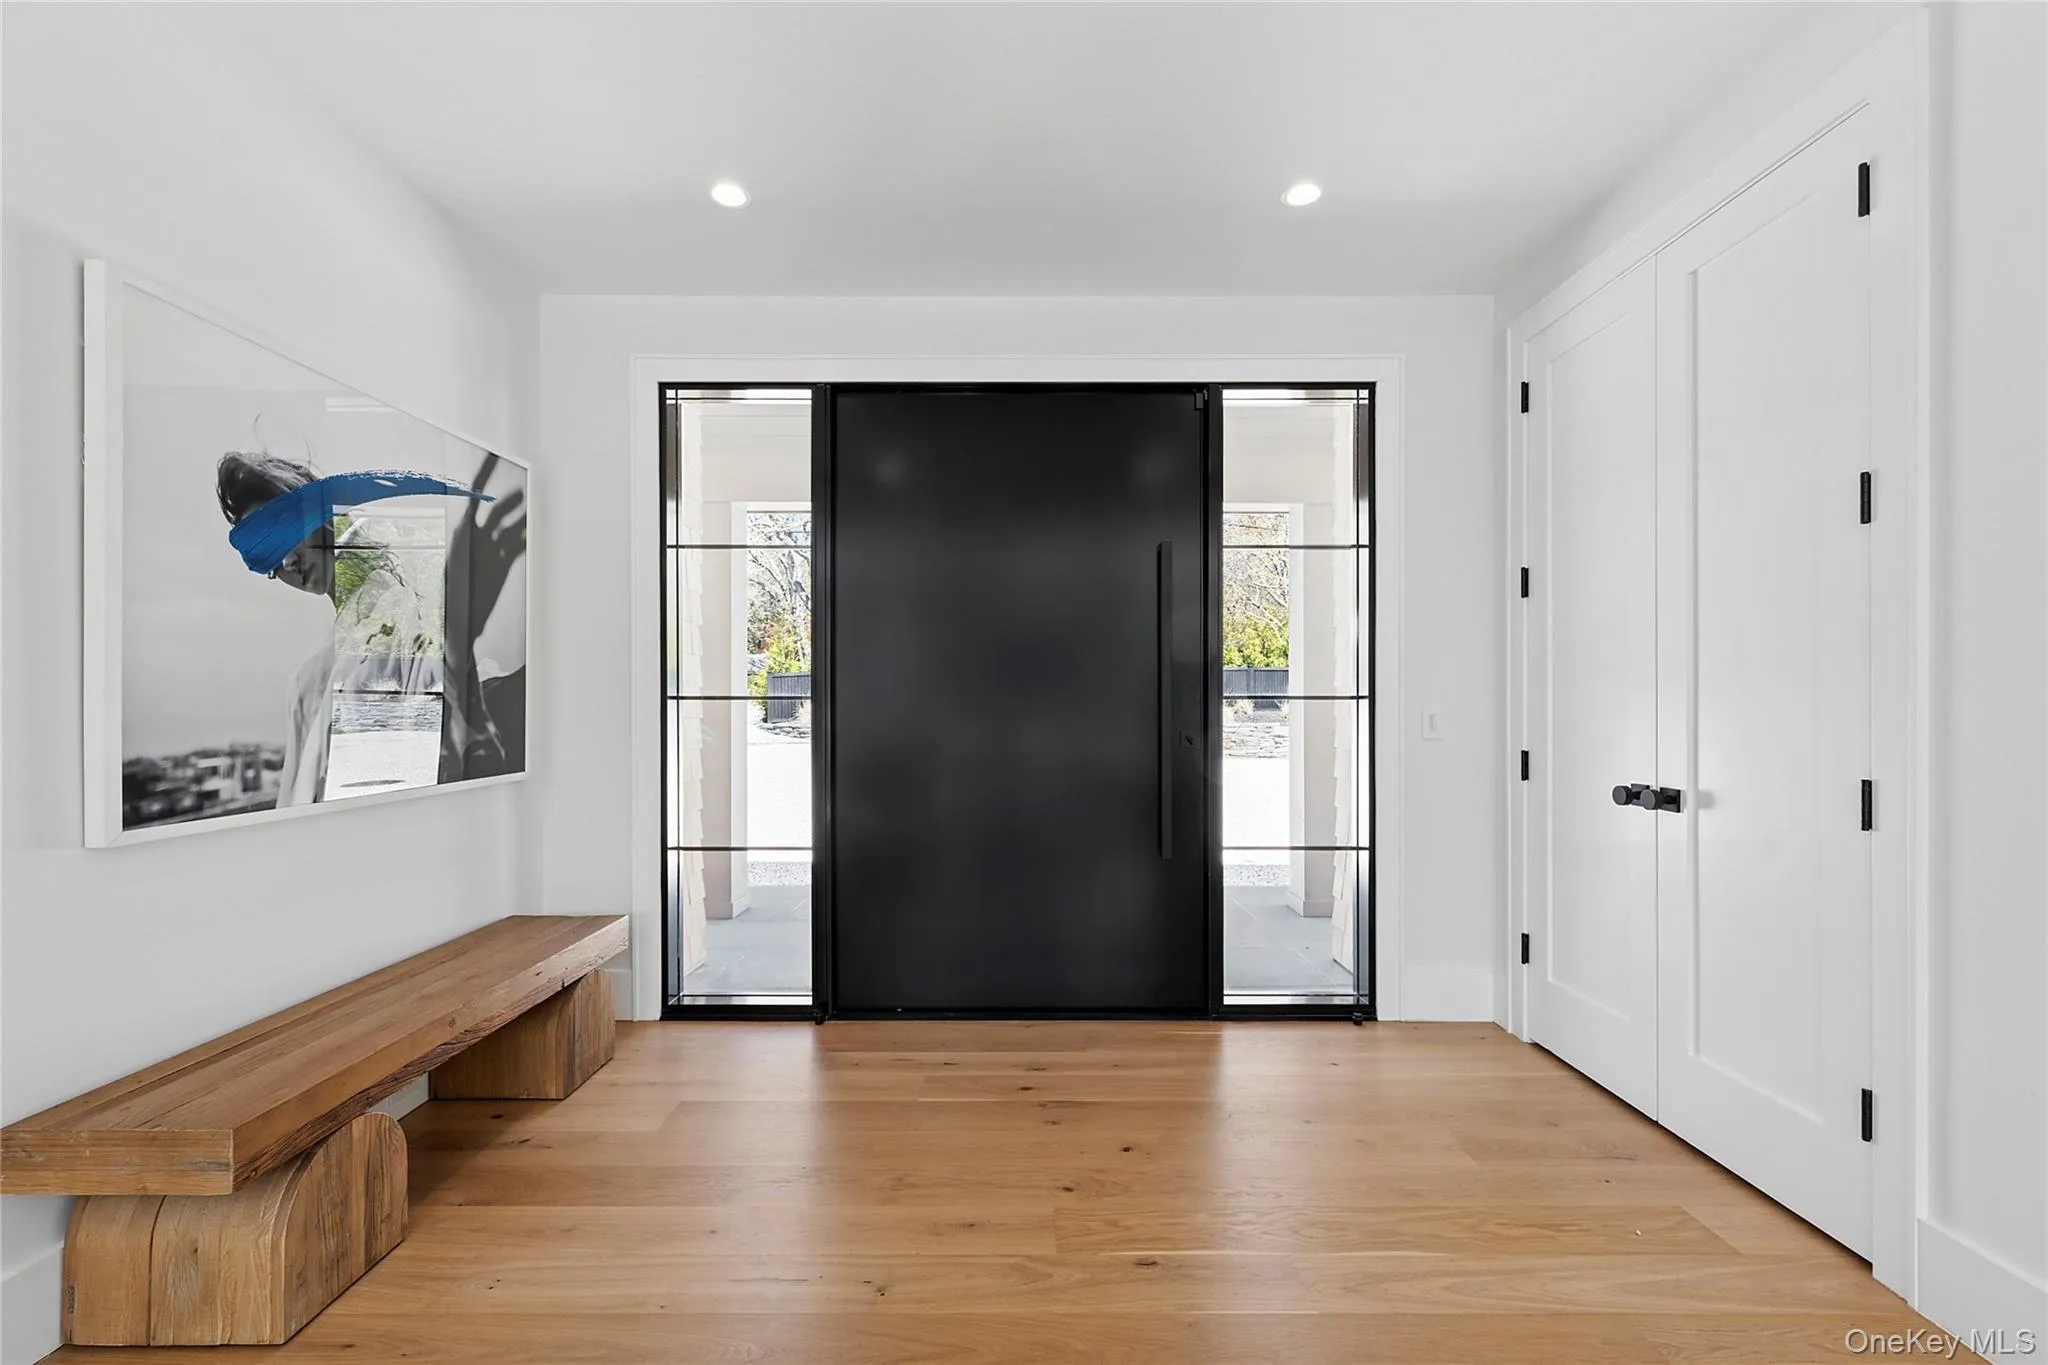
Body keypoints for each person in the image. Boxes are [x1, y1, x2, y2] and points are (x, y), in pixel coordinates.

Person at [215, 449, 523, 806]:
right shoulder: (306, 684)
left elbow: (457, 707)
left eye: (285, 535)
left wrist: (458, 628)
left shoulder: (407, 624)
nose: (288, 561)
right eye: (269, 559)